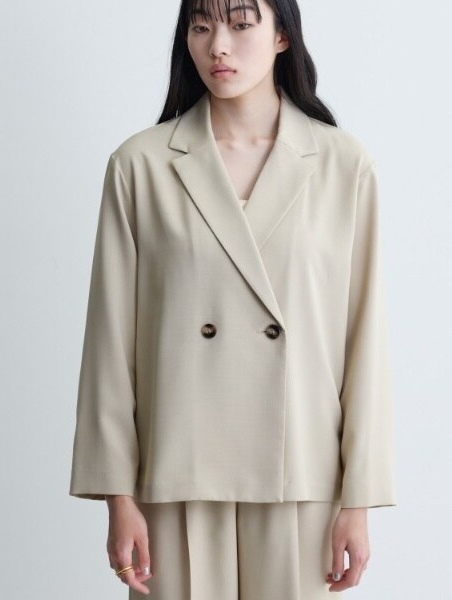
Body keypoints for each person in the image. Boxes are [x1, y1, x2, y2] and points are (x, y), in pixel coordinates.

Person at [68, 1, 398, 598]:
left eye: (242, 24)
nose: (218, 45)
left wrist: (359, 498)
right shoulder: (140, 165)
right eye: (201, 26)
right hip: (175, 465)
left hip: (302, 469)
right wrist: (118, 495)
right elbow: (110, 343)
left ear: (282, 36)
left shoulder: (343, 164)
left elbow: (364, 339)